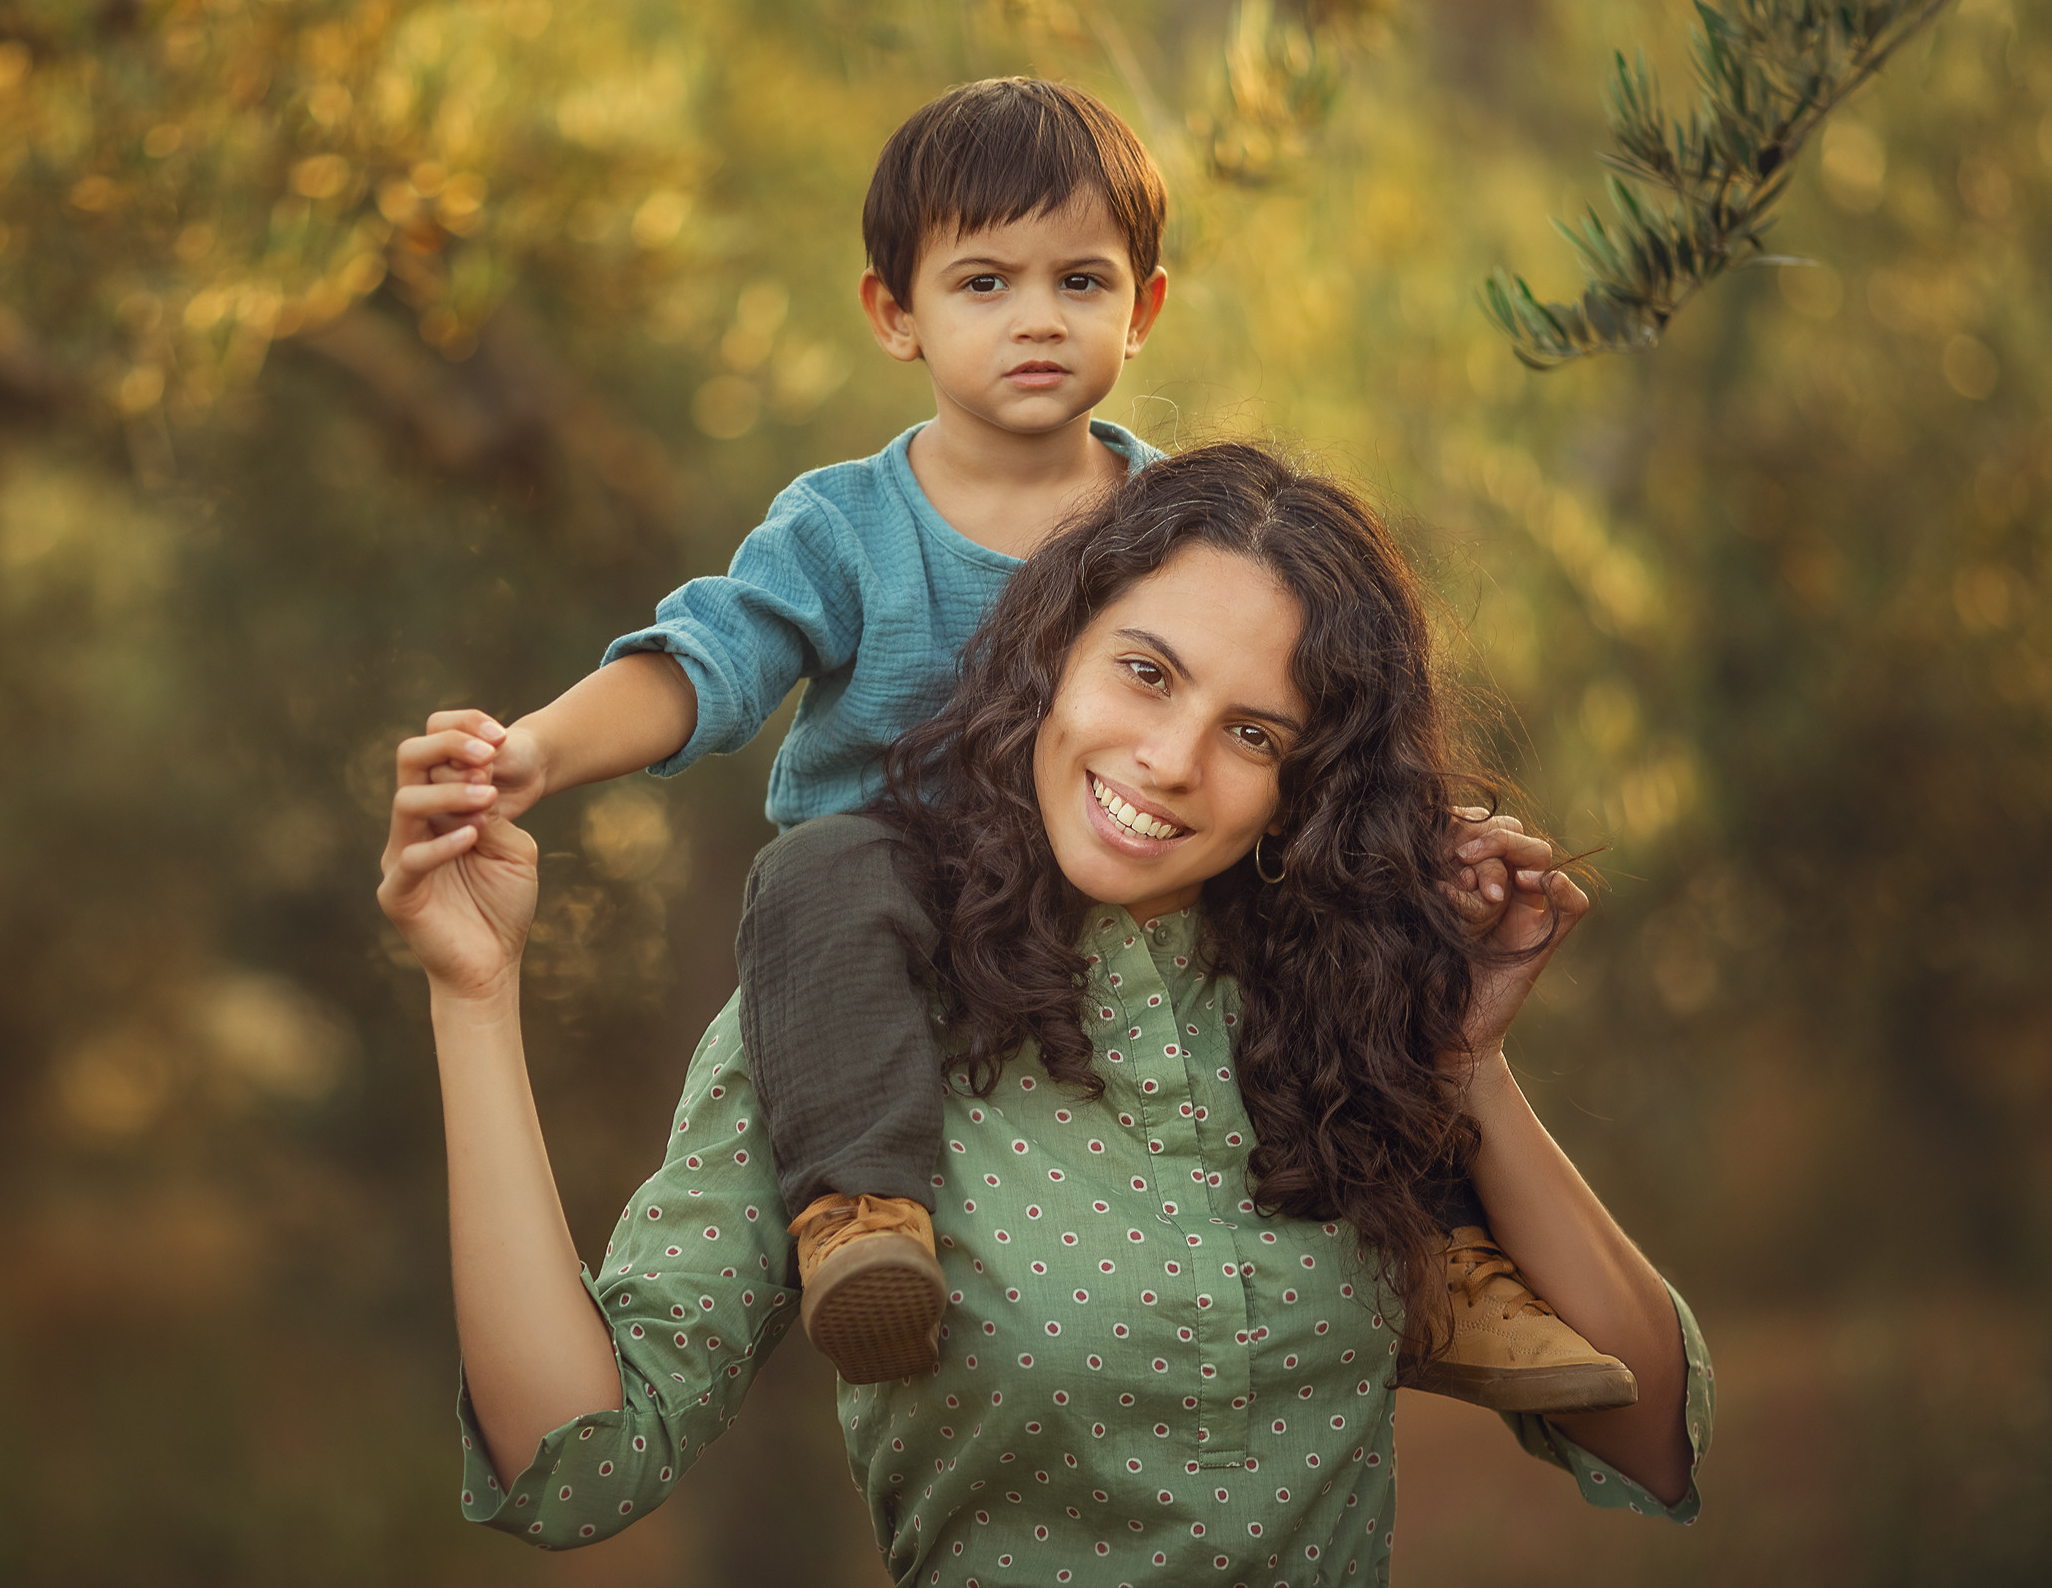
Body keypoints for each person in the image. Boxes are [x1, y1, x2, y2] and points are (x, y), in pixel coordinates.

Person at [427, 78, 1617, 1407]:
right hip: (903, 884)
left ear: (1143, 307)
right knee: (814, 874)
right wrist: (534, 753)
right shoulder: (845, 526)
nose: (1036, 318)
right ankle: (863, 1219)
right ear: (896, 313)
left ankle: (1436, 1262)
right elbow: (711, 658)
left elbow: (1291, 710)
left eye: (1080, 280)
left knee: (1341, 921)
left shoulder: (1178, 523)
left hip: (1125, 882)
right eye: (983, 282)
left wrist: (1416, 845)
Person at [380, 445, 1711, 1586]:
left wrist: (1467, 1061)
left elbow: (1650, 1433)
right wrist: (473, 994)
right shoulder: (854, 1007)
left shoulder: (1325, 1008)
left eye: (1254, 735)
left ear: (1305, 784)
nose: (1169, 759)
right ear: (1053, 651)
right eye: (1144, 672)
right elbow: (575, 1465)